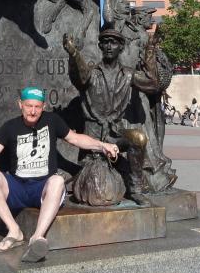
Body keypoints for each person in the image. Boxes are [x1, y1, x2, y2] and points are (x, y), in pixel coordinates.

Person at [0, 86, 118, 262]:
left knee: (58, 180)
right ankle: (14, 231)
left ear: (43, 106)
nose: (33, 111)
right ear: (20, 104)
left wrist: (103, 146)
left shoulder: (52, 121)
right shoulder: (10, 127)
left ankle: (37, 237)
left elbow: (75, 138)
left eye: (37, 107)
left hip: (41, 188)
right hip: (16, 187)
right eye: (29, 106)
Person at [63, 29, 175, 204]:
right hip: (93, 137)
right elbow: (79, 76)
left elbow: (153, 84)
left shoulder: (128, 74)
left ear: (121, 47)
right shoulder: (92, 73)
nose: (109, 46)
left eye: (113, 42)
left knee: (137, 138)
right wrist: (74, 53)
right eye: (105, 42)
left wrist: (151, 49)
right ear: (100, 46)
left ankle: (135, 190)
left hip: (114, 134)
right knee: (97, 189)